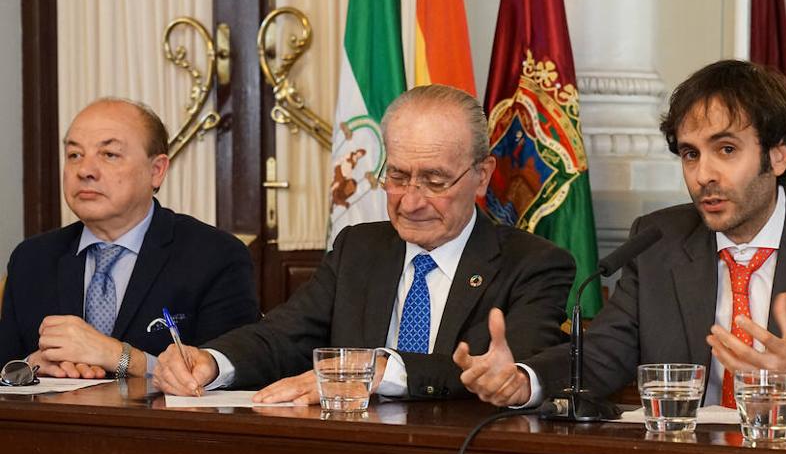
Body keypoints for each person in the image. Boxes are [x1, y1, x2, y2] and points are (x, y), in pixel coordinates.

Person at [455, 59, 786, 416]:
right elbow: (601, 355)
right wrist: (523, 380)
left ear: (777, 158)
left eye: (726, 150)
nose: (704, 175)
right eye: (690, 155)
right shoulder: (658, 240)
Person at [152, 84, 576, 402]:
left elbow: (511, 373)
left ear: (481, 175)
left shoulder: (534, 264)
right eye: (397, 176)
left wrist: (379, 369)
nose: (410, 201)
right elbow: (283, 336)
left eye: (434, 181)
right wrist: (212, 362)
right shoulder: (359, 247)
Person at [0, 98, 258, 378]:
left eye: (109, 154)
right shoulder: (31, 259)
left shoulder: (214, 256)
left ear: (156, 170)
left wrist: (119, 357)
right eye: (74, 155)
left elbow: (229, 380)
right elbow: (6, 371)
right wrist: (29, 366)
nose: (85, 170)